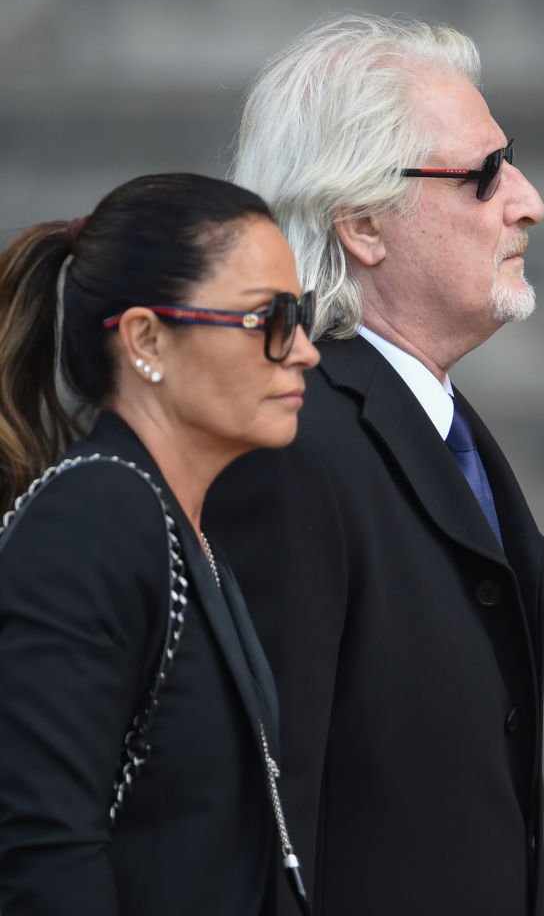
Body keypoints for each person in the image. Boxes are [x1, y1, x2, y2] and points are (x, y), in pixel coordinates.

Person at [204, 15, 544, 916]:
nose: (527, 200)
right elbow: (260, 824)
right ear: (362, 223)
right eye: (482, 175)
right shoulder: (288, 448)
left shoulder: (429, 418)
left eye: (508, 162)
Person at [0, 172, 319, 916]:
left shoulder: (172, 521)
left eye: (298, 316)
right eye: (268, 319)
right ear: (146, 338)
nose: (303, 350)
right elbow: (41, 853)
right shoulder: (93, 519)